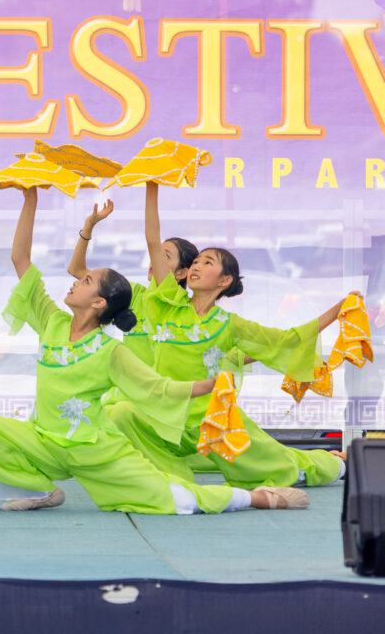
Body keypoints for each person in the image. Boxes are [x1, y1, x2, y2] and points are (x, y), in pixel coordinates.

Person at [0, 187, 308, 514]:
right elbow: (21, 259)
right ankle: (37, 492)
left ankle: (255, 496)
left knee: (174, 499)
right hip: (45, 441)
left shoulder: (111, 348)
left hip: (97, 450)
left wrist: (213, 384)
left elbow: (158, 388)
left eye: (87, 281)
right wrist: (30, 199)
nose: (77, 280)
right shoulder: (52, 322)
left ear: (97, 302)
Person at [104, 183, 351, 490]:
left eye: (208, 262)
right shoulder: (168, 305)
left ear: (225, 280)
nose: (196, 266)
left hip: (214, 420)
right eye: (195, 262)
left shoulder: (228, 325)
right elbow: (153, 239)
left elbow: (287, 340)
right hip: (164, 418)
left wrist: (337, 310)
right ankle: (169, 482)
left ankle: (335, 464)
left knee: (279, 466)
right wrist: (152, 184)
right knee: (120, 413)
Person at [67, 199, 199, 366]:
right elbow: (76, 270)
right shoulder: (134, 294)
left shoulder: (182, 305)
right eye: (155, 253)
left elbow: (152, 239)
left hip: (164, 389)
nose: (153, 259)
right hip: (129, 388)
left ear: (181, 273)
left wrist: (151, 184)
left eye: (163, 256)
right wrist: (88, 227)